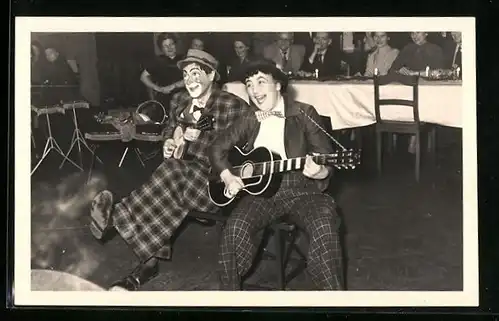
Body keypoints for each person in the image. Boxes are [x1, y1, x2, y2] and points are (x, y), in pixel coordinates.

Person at [89, 49, 252, 291]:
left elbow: (247, 146)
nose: (189, 80)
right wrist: (168, 141)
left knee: (171, 171)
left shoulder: (233, 106)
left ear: (212, 75)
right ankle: (147, 265)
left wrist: (209, 140)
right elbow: (170, 130)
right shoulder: (179, 101)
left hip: (213, 183)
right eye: (186, 74)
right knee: (170, 177)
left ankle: (116, 218)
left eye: (196, 73)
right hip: (178, 179)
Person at [209, 59, 345, 290]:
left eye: (261, 82)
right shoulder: (249, 117)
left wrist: (320, 171)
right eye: (249, 84)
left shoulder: (304, 113)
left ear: (279, 85)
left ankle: (335, 301)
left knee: (324, 225)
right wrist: (228, 176)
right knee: (234, 231)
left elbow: (325, 157)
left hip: (302, 189)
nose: (254, 91)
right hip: (260, 194)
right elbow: (216, 148)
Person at [140, 33, 185, 110]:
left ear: (175, 45)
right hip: (164, 100)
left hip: (183, 99)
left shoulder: (184, 60)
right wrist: (158, 88)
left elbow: (190, 79)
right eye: (165, 46)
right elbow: (143, 77)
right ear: (161, 49)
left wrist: (173, 86)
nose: (169, 48)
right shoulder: (158, 61)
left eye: (171, 44)